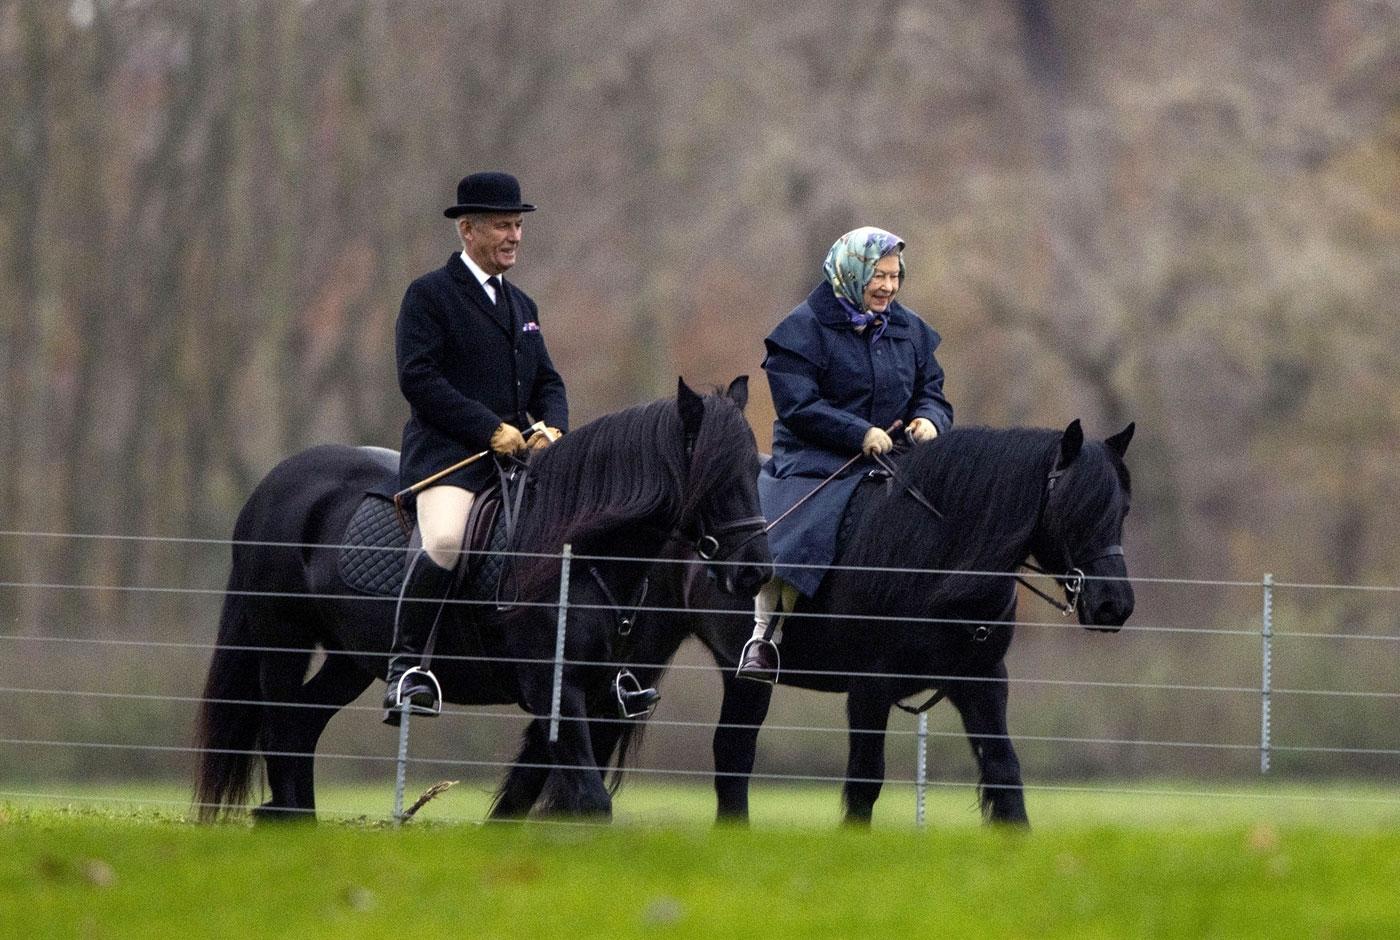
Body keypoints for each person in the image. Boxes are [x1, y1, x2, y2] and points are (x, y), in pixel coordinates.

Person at [383, 171, 568, 722]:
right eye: (502, 226)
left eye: (518, 225)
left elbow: (549, 383)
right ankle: (405, 667)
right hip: (451, 461)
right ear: (467, 230)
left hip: (517, 464)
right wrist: (489, 428)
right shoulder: (430, 296)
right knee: (442, 540)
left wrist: (551, 428)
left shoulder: (524, 304)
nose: (514, 236)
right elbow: (418, 378)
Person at [736, 227, 953, 683]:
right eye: (879, 276)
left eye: (895, 277)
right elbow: (798, 406)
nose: (889, 287)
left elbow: (932, 392)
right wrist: (859, 433)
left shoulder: (910, 330)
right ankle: (763, 637)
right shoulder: (801, 329)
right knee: (799, 529)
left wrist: (931, 420)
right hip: (816, 459)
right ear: (853, 272)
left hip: (897, 456)